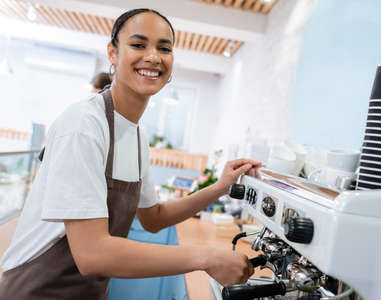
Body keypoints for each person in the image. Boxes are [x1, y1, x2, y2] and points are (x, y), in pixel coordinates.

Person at [0, 8, 260, 300]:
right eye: (138, 45)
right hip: (37, 289)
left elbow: (154, 217)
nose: (153, 56)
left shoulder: (137, 136)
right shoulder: (84, 125)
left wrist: (220, 187)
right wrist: (205, 257)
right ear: (113, 53)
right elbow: (92, 253)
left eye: (164, 48)